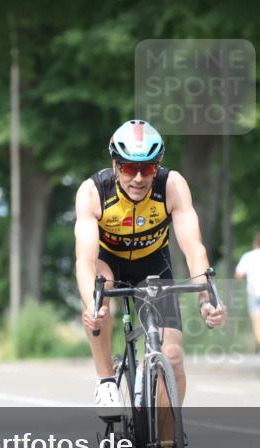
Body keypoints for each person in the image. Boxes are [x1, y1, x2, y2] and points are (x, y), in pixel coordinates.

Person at [74, 120, 227, 421]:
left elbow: (194, 248)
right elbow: (84, 261)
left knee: (173, 356)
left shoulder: (172, 185)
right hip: (109, 261)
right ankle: (105, 380)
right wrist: (90, 304)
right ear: (115, 166)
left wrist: (206, 300)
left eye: (148, 168)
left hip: (154, 265)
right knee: (99, 292)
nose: (139, 178)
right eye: (130, 168)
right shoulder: (93, 192)